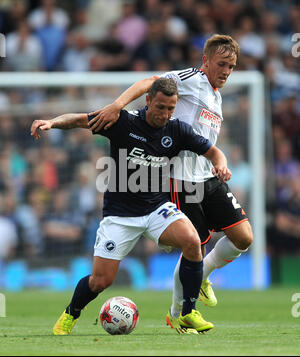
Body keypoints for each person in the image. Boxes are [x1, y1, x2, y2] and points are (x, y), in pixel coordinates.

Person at [30, 78, 232, 335]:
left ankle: (188, 312)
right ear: (148, 100)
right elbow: (79, 120)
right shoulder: (123, 122)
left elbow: (214, 152)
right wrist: (52, 123)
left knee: (193, 241)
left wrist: (221, 164)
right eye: (160, 107)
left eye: (171, 108)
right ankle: (71, 313)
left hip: (157, 208)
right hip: (120, 215)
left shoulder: (177, 130)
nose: (165, 114)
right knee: (100, 281)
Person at [88, 34, 254, 330]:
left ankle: (202, 277)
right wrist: (117, 105)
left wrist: (219, 161)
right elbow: (147, 84)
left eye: (232, 65)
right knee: (195, 247)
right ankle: (177, 313)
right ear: (206, 61)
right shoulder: (192, 78)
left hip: (209, 177)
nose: (227, 70)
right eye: (222, 64)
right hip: (182, 180)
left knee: (244, 237)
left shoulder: (216, 94)